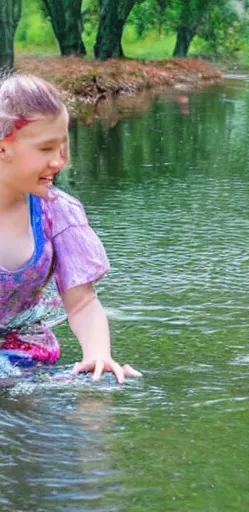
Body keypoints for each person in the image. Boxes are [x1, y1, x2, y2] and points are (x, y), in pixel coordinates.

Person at [0, 73, 142, 383]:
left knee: (104, 381)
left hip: (21, 353)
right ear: (2, 149)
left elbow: (82, 302)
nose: (60, 161)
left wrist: (98, 355)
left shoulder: (57, 213)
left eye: (63, 146)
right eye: (46, 149)